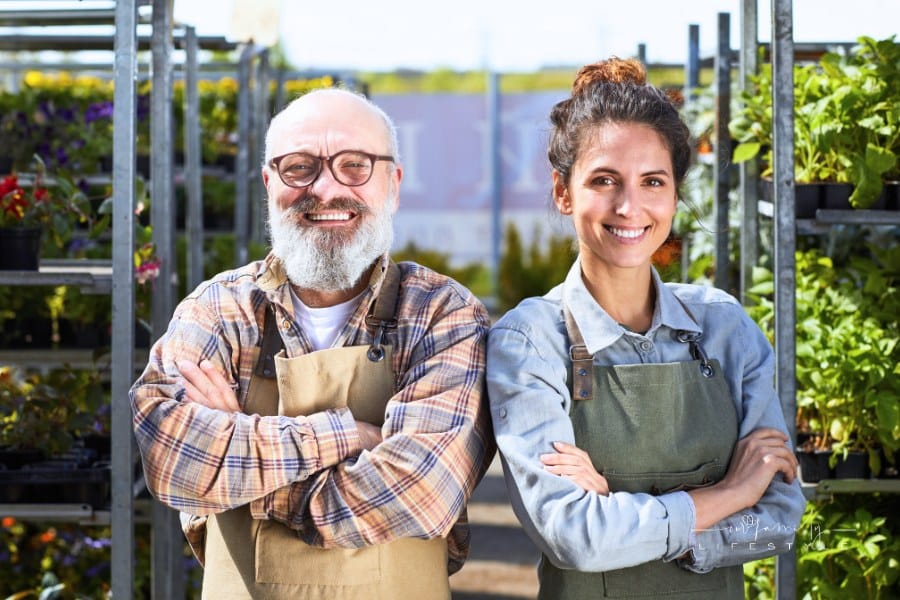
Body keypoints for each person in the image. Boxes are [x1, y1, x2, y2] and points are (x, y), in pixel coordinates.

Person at [130, 87, 494, 600]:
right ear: (268, 184)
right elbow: (171, 459)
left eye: (354, 165)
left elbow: (418, 493)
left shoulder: (439, 313)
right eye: (299, 166)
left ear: (393, 184)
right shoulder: (220, 308)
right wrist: (350, 436)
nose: (324, 189)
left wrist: (239, 470)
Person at [486, 57, 806, 600]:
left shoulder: (724, 326)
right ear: (564, 192)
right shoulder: (530, 339)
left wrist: (624, 516)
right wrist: (730, 493)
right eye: (604, 180)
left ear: (675, 195)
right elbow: (574, 537)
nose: (629, 206)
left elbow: (780, 517)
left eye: (652, 181)